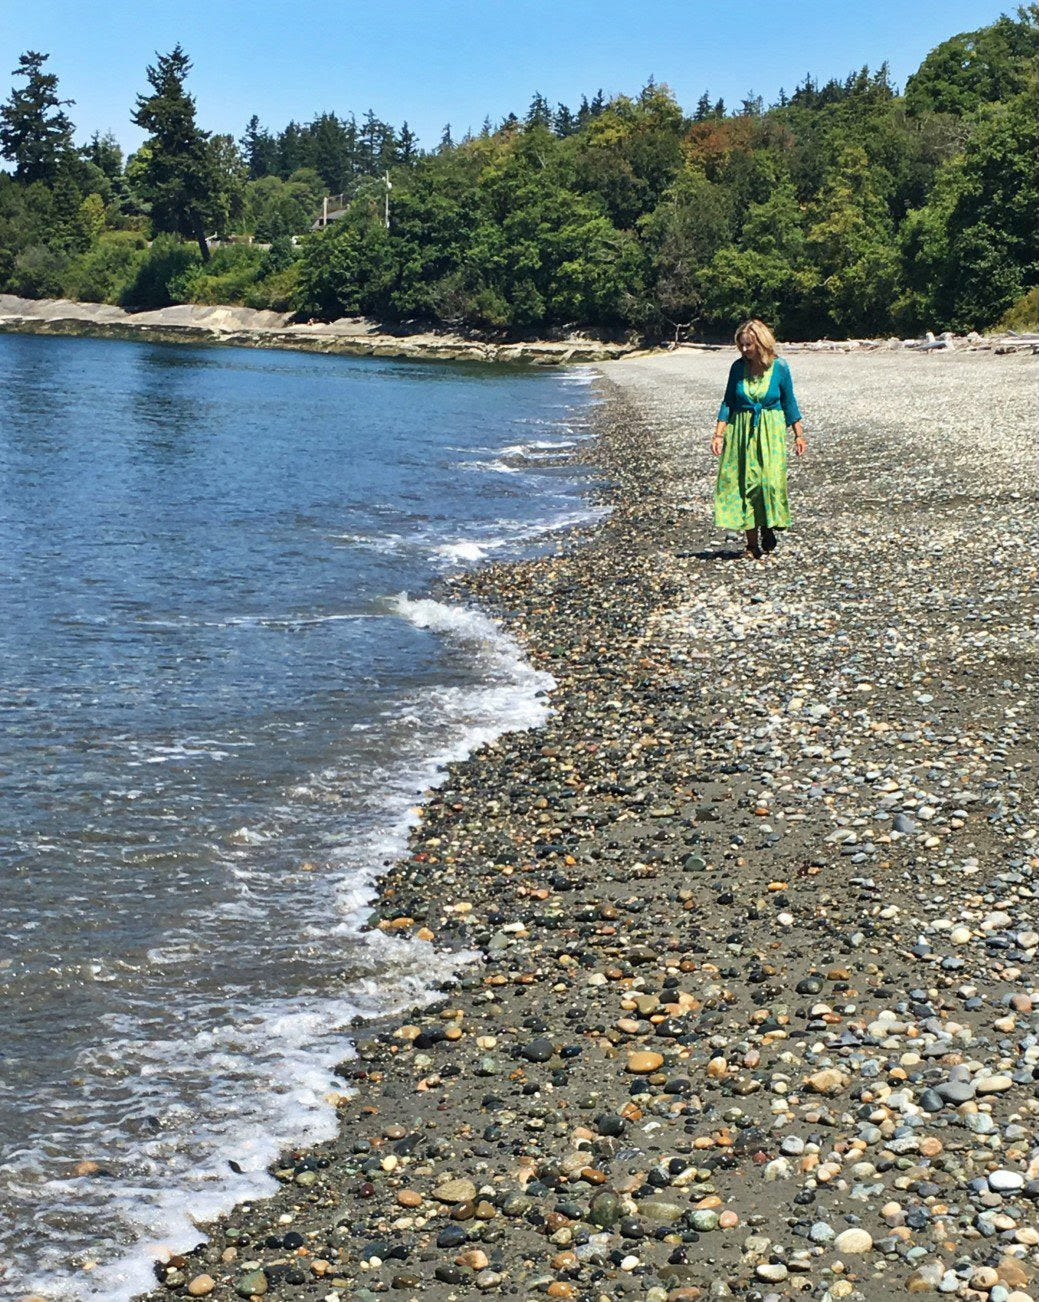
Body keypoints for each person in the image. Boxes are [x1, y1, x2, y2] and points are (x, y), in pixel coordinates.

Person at [711, 319, 807, 560]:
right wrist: (719, 434)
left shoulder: (780, 368)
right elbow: (728, 402)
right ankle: (751, 545)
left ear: (761, 343)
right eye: (741, 345)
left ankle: (768, 525)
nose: (744, 350)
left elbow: (789, 402)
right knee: (745, 485)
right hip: (741, 429)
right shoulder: (737, 368)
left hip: (771, 429)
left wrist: (799, 435)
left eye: (748, 345)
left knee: (769, 482)